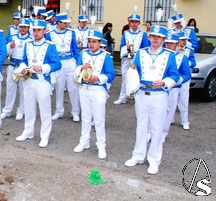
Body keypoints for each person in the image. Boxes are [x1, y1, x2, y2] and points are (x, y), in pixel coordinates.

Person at [124, 25, 179, 175]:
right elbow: (135, 71)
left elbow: (175, 75)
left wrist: (164, 82)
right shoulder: (140, 53)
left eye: (159, 37)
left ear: (163, 40)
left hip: (159, 95)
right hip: (142, 93)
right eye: (153, 36)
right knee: (141, 126)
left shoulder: (170, 55)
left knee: (156, 128)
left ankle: (154, 160)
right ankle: (138, 155)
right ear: (149, 37)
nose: (155, 39)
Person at [15, 19, 61, 148]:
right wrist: (22, 68)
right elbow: (24, 59)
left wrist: (43, 67)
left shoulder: (50, 46)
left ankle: (44, 135)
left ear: (44, 31)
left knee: (44, 110)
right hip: (29, 80)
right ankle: (28, 131)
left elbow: (57, 64)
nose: (36, 33)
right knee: (28, 108)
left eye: (39, 30)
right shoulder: (28, 44)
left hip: (42, 80)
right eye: (34, 30)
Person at [73, 29, 115, 159]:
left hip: (98, 90)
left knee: (98, 119)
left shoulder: (106, 56)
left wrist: (97, 78)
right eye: (89, 42)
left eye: (94, 42)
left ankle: (101, 145)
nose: (91, 44)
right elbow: (76, 71)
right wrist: (81, 68)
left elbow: (111, 75)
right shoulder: (83, 54)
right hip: (85, 88)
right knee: (85, 117)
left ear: (100, 42)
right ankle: (84, 141)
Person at [46, 13, 80, 122]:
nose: (66, 24)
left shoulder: (71, 33)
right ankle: (59, 111)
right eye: (64, 22)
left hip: (70, 61)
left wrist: (78, 64)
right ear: (58, 22)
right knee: (59, 88)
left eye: (67, 23)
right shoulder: (50, 34)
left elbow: (75, 49)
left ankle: (75, 112)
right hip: (58, 62)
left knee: (73, 88)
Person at [1, 18, 33, 120]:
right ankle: (7, 110)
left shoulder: (31, 40)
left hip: (24, 68)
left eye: (25, 27)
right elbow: (5, 51)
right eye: (21, 27)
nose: (23, 29)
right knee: (10, 89)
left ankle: (21, 110)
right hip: (12, 65)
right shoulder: (13, 37)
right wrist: (10, 46)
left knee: (23, 90)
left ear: (28, 28)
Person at [114, 13, 150, 105]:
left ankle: (137, 97)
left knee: (138, 78)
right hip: (127, 58)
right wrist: (126, 47)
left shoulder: (143, 34)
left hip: (138, 59)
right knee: (125, 78)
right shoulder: (125, 33)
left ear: (139, 23)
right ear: (130, 23)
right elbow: (121, 45)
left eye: (136, 22)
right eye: (132, 22)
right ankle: (123, 97)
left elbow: (146, 48)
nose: (134, 24)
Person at [163, 32, 191, 142]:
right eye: (167, 43)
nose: (169, 45)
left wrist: (179, 80)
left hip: (174, 87)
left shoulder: (182, 57)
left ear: (177, 44)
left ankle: (164, 132)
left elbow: (186, 74)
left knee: (172, 109)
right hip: (160, 87)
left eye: (172, 43)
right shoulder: (161, 55)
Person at [175, 31, 196, 130]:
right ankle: (170, 119)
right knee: (171, 101)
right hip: (174, 77)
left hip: (184, 78)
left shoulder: (189, 50)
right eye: (182, 40)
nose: (184, 42)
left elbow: (193, 63)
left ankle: (185, 121)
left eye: (185, 40)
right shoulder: (172, 49)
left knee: (183, 101)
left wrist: (186, 61)